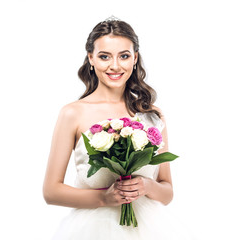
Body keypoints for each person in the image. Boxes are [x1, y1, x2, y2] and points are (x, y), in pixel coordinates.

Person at [43, 16, 192, 239]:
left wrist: (146, 186)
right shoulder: (72, 113)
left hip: (151, 229)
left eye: (124, 56)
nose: (115, 66)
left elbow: (167, 192)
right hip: (92, 229)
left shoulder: (152, 115)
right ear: (91, 58)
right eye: (104, 56)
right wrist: (104, 198)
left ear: (135, 58)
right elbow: (51, 191)